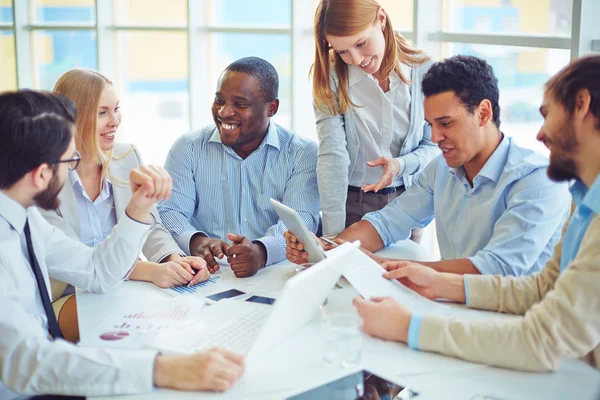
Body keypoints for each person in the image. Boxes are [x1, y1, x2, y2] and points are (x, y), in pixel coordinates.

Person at [353, 54, 600, 372]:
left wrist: (408, 327)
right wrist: (438, 283)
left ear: (581, 105)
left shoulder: (538, 179)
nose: (539, 134)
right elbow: (543, 288)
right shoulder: (584, 200)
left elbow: (540, 339)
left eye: (546, 114)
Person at [0, 90, 244, 398]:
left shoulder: (25, 216)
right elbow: (26, 364)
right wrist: (163, 369)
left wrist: (138, 209)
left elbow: (98, 271)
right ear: (41, 174)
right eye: (70, 159)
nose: (72, 168)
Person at [287, 55, 570, 277]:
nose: (435, 138)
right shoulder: (441, 170)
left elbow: (495, 269)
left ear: (483, 112)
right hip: (452, 309)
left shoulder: (537, 180)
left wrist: (383, 266)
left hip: (513, 327)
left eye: (446, 124)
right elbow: (387, 223)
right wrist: (329, 248)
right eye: (430, 125)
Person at [40, 69, 209, 342]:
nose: (115, 121)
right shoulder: (45, 176)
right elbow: (83, 262)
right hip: (67, 293)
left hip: (123, 285)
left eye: (116, 109)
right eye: (102, 113)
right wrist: (152, 272)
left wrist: (174, 262)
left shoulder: (126, 156)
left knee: (177, 326)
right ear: (72, 119)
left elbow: (150, 226)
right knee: (135, 337)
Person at [158, 57, 319, 277]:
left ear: (272, 108)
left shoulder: (303, 154)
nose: (224, 112)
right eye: (219, 100)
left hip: (274, 276)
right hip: (203, 276)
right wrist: (197, 241)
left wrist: (260, 252)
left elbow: (302, 221)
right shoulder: (187, 148)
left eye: (239, 104)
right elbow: (169, 211)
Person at [312, 0, 439, 241]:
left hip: (408, 205)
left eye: (361, 43)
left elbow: (434, 146)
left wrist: (400, 165)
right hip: (352, 207)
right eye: (342, 51)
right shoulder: (331, 76)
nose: (357, 59)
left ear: (381, 18)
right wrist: (331, 235)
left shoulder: (424, 69)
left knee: (404, 277)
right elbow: (332, 155)